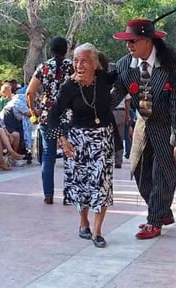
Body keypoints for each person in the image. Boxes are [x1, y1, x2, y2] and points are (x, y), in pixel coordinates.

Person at [112, 15, 176, 240]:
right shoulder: (125, 65)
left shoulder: (173, 64)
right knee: (139, 172)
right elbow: (116, 93)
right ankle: (162, 212)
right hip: (143, 126)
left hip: (168, 127)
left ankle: (154, 221)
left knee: (163, 174)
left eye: (132, 41)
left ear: (148, 41)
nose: (128, 46)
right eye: (127, 42)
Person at [46, 43, 119, 248]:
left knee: (101, 184)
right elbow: (52, 117)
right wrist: (62, 140)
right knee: (81, 185)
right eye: (76, 60)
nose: (79, 65)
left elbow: (124, 69)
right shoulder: (69, 87)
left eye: (84, 60)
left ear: (95, 64)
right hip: (77, 140)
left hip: (103, 138)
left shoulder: (104, 79)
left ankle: (97, 231)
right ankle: (83, 223)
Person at [25, 36, 73, 205]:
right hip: (68, 116)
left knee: (48, 155)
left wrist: (34, 112)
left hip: (48, 117)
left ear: (51, 50)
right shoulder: (72, 67)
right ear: (66, 49)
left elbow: (29, 93)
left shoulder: (43, 67)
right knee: (69, 155)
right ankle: (69, 194)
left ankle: (48, 194)